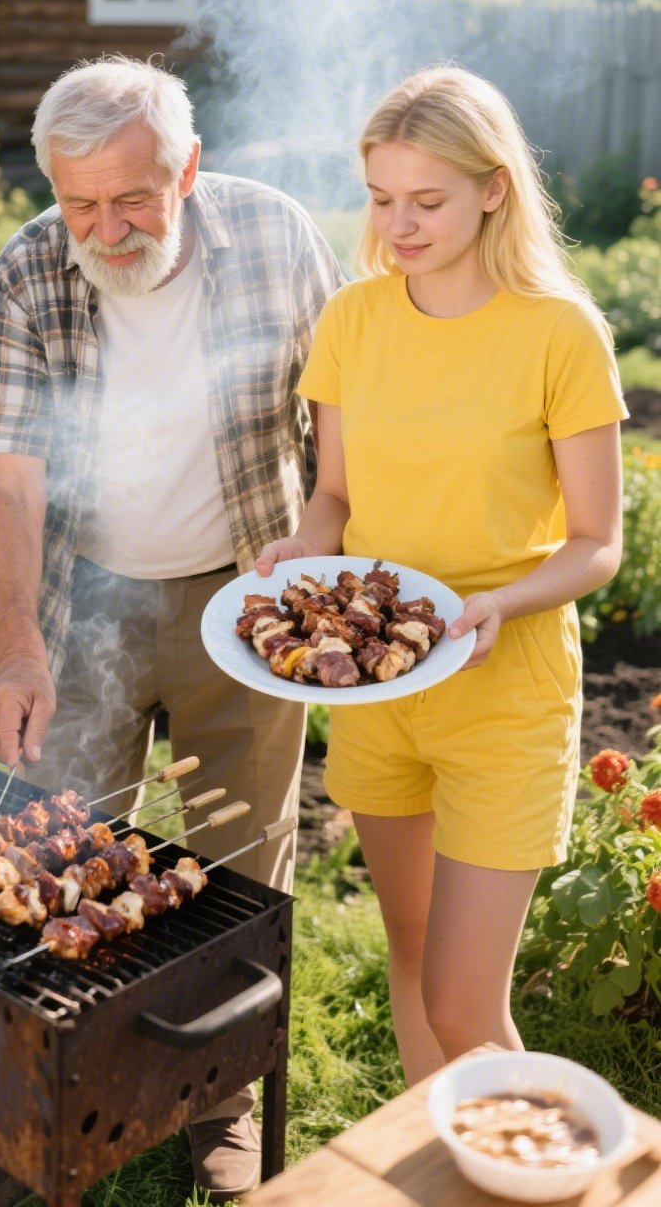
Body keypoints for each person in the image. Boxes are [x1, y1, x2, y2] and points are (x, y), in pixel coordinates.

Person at [0, 55, 342, 1207]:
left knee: (239, 862)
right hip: (88, 600)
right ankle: (35, 1114)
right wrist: (22, 652)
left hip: (243, 601)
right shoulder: (27, 266)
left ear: (190, 169)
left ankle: (220, 1104)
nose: (105, 229)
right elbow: (8, 476)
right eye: (80, 203)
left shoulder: (276, 237)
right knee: (60, 856)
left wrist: (326, 540)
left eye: (133, 199)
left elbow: (343, 412)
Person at [256, 65, 625, 1085]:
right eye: (382, 198)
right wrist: (301, 544)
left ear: (494, 188)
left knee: (467, 1002)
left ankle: (568, 1181)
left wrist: (501, 601)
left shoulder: (558, 332)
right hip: (377, 686)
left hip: (504, 689)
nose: (399, 224)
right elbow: (335, 498)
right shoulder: (354, 319)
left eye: (428, 201)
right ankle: (454, 1176)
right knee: (415, 964)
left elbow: (598, 540)